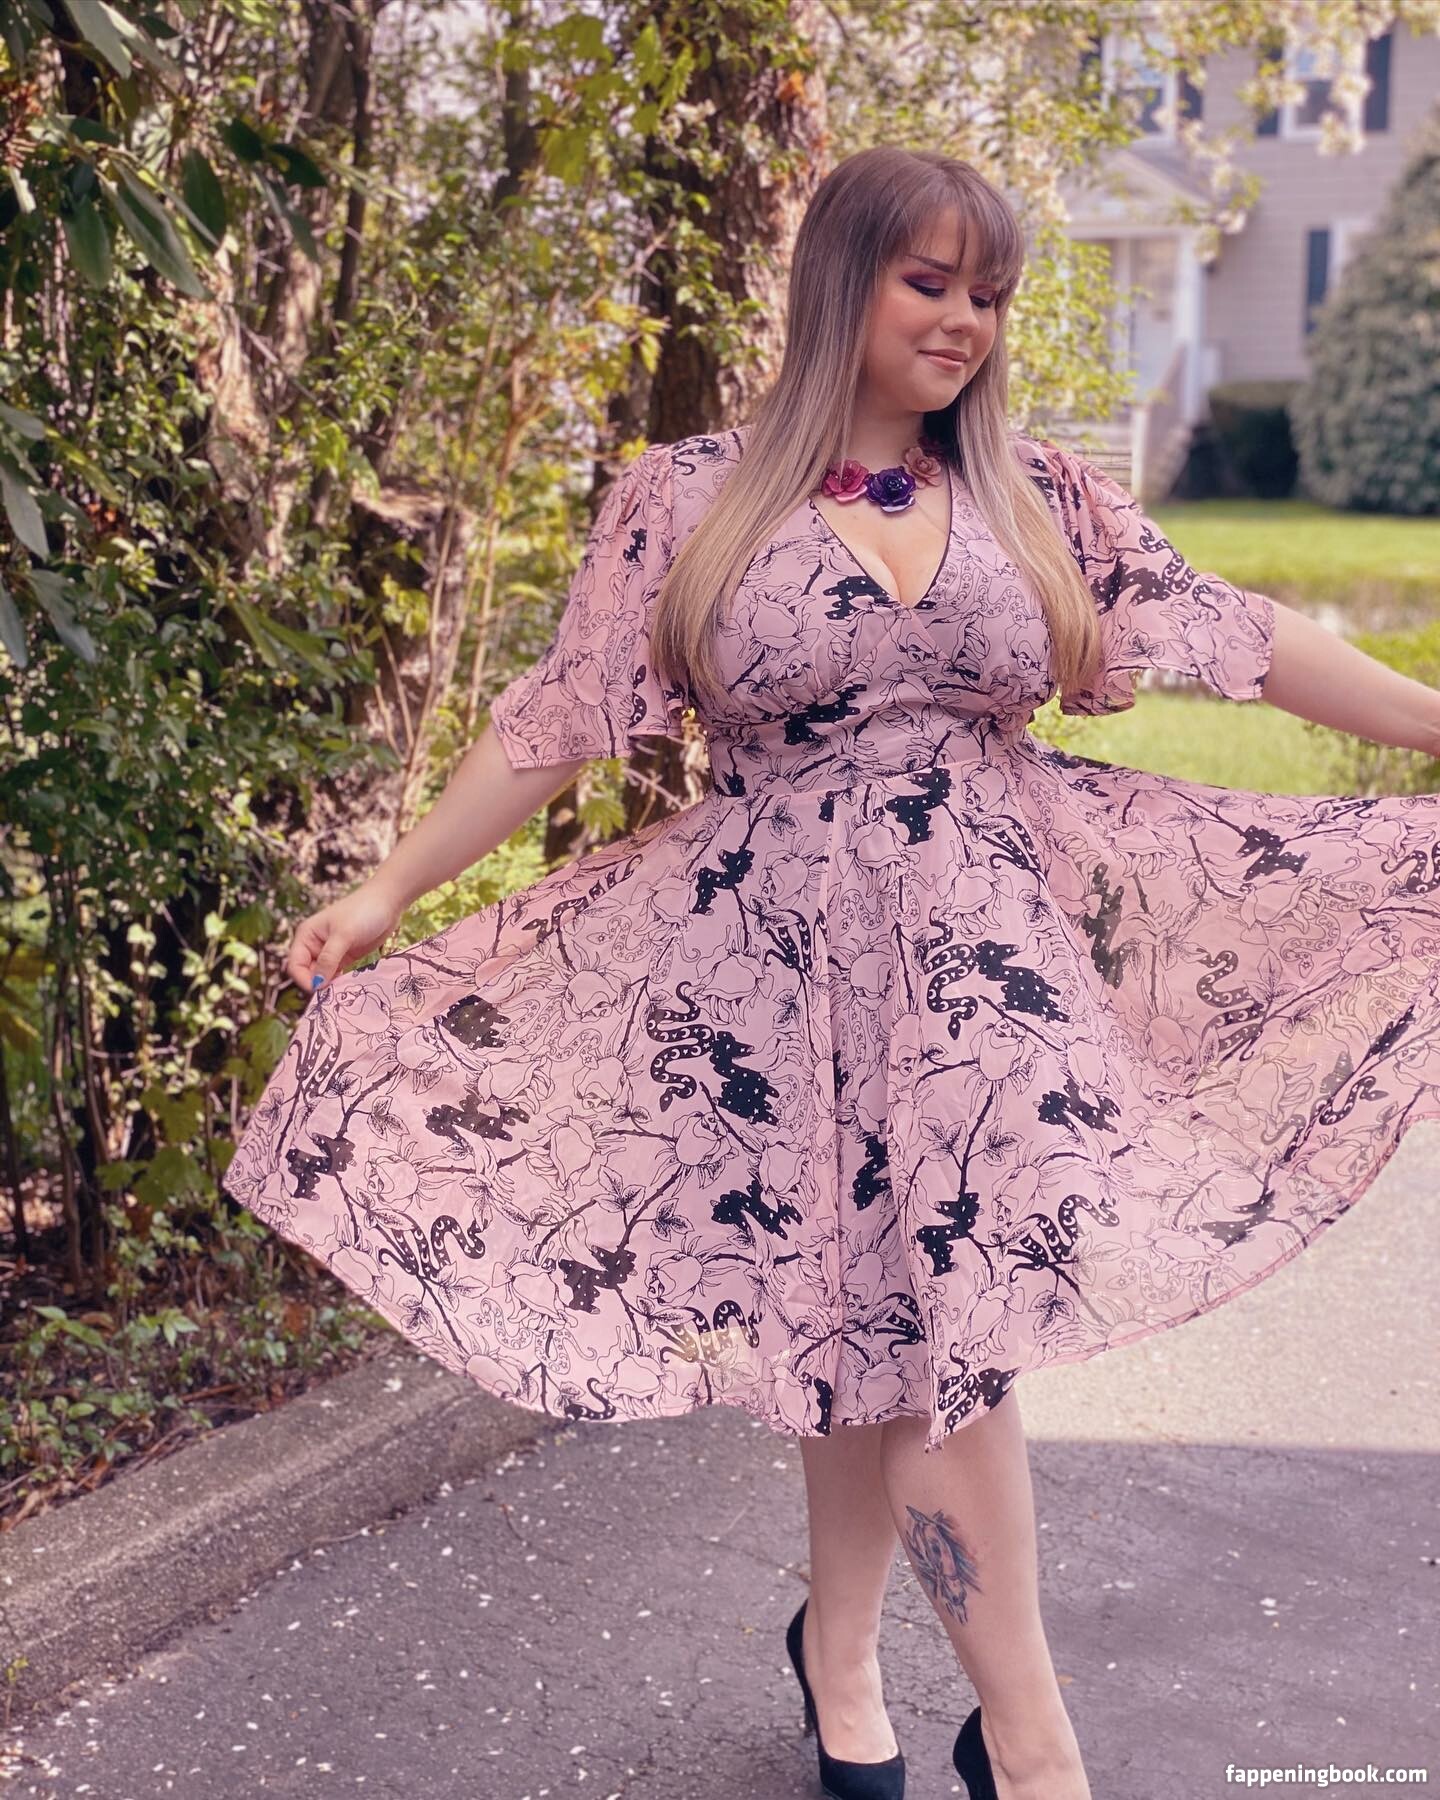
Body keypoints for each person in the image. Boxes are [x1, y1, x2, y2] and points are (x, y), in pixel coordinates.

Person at [220, 146, 1440, 1800]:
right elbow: (559, 719)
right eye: (929, 283)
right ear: (840, 282)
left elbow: (1242, 633)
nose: (965, 322)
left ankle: (1031, 1747)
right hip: (776, 981)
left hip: (986, 981)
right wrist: (388, 887)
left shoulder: (1036, 494)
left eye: (988, 296)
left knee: (939, 1338)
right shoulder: (689, 498)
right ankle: (850, 1661)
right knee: (857, 1333)